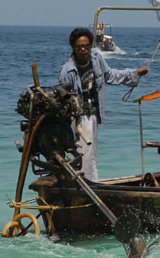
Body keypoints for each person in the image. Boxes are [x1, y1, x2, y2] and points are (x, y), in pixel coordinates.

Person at [59, 27, 149, 181]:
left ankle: (93, 182)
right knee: (84, 153)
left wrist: (135, 73)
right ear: (73, 48)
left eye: (86, 46)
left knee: (92, 153)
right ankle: (86, 185)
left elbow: (111, 75)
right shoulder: (67, 71)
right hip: (79, 119)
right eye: (79, 47)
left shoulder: (96, 58)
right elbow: (63, 99)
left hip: (94, 114)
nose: (83, 50)